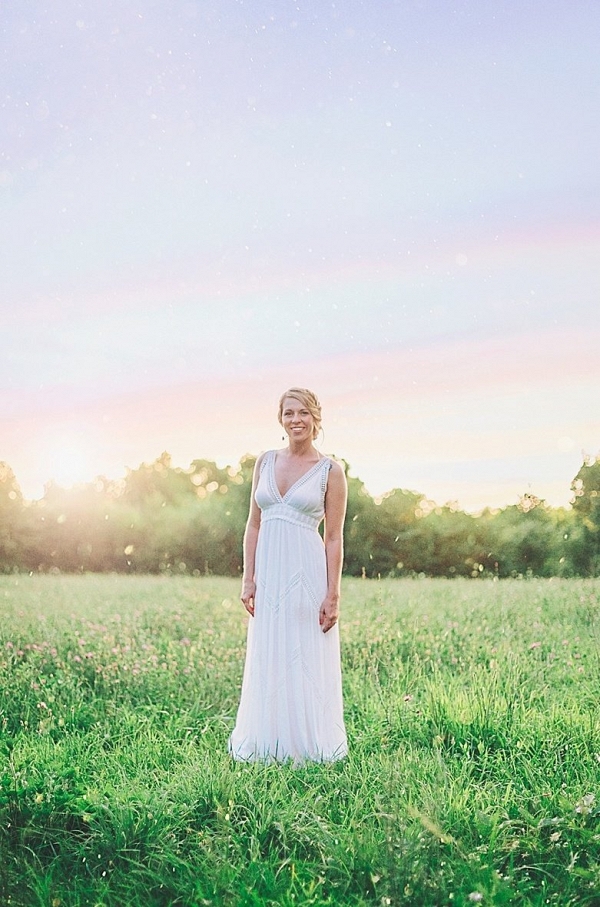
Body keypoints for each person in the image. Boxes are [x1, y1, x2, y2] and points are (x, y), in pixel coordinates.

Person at [228, 387, 348, 764]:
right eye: (289, 413)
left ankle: (305, 745)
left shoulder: (331, 471)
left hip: (306, 574)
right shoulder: (264, 462)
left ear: (316, 418)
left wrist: (333, 594)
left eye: (303, 413)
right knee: (269, 652)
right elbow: (253, 525)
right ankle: (267, 742)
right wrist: (249, 579)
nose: (295, 420)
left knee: (303, 654)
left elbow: (333, 538)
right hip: (270, 574)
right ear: (281, 419)